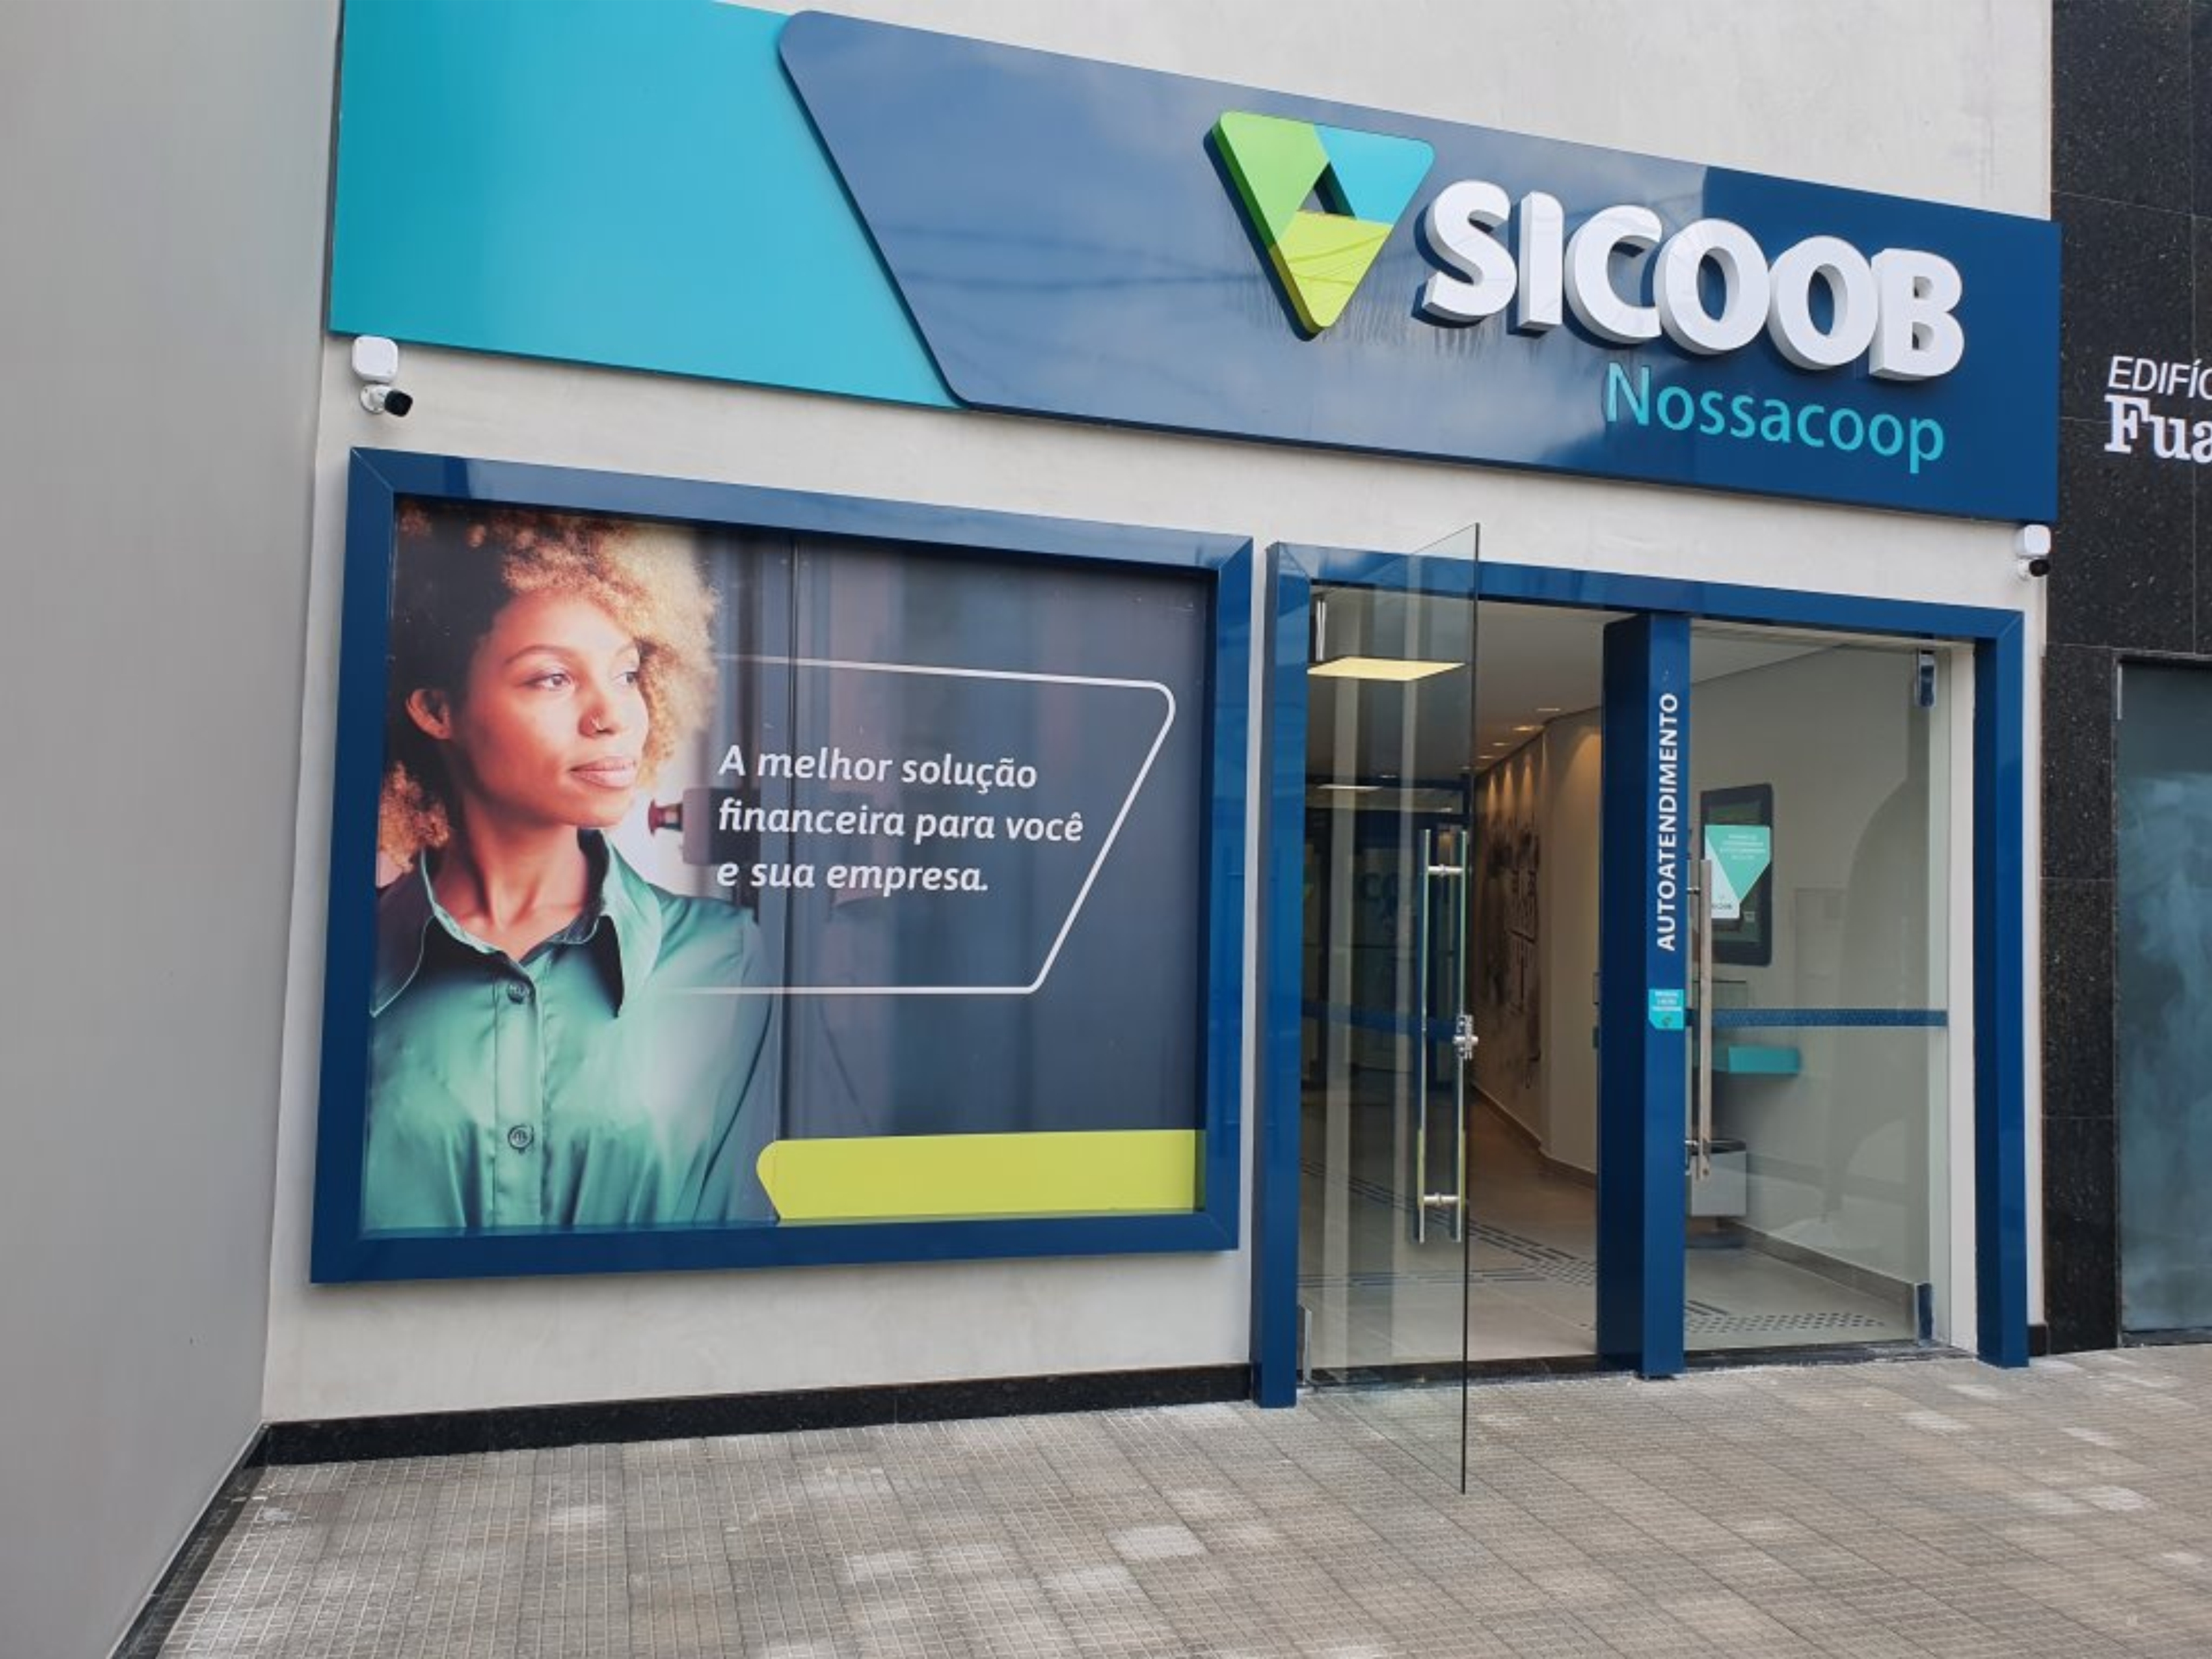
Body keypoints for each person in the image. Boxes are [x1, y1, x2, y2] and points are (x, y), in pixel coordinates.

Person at [364, 504, 775, 1233]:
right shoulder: (343, 960)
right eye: (553, 678)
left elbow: (732, 1242)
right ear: (436, 709)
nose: (611, 715)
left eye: (627, 673)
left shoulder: (722, 958)